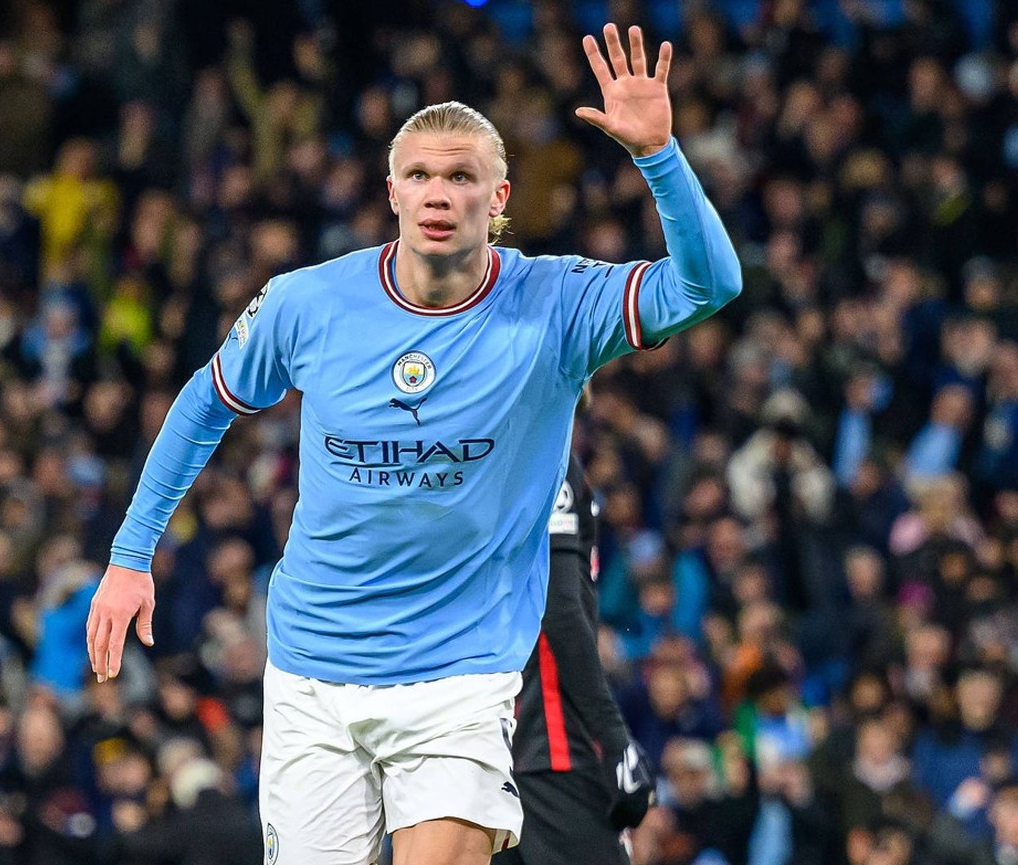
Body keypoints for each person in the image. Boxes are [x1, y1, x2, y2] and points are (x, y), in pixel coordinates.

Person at [88, 23, 742, 865]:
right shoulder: (306, 303)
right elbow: (202, 404)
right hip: (312, 669)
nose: (440, 193)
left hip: (460, 675)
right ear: (390, 192)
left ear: (498, 200)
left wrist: (659, 156)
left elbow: (709, 282)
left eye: (462, 177)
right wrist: (130, 554)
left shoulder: (555, 306)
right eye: (421, 176)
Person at [493, 452, 654, 865]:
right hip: (551, 746)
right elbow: (561, 613)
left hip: (496, 745)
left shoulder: (493, 455)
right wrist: (617, 740)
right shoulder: (549, 461)